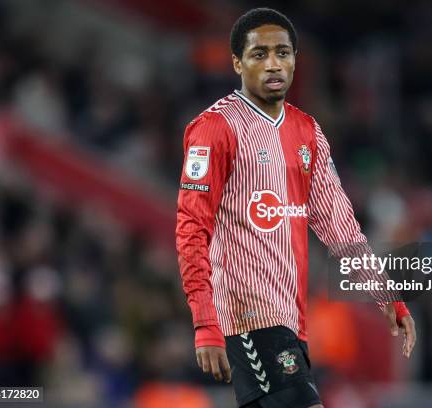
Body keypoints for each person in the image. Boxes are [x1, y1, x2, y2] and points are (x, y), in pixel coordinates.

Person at [176, 8, 416, 407]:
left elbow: (340, 226)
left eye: (283, 53)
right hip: (247, 318)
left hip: (292, 323)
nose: (273, 64)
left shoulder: (307, 131)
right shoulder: (215, 129)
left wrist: (388, 297)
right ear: (237, 62)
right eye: (259, 54)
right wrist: (205, 321)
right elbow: (191, 227)